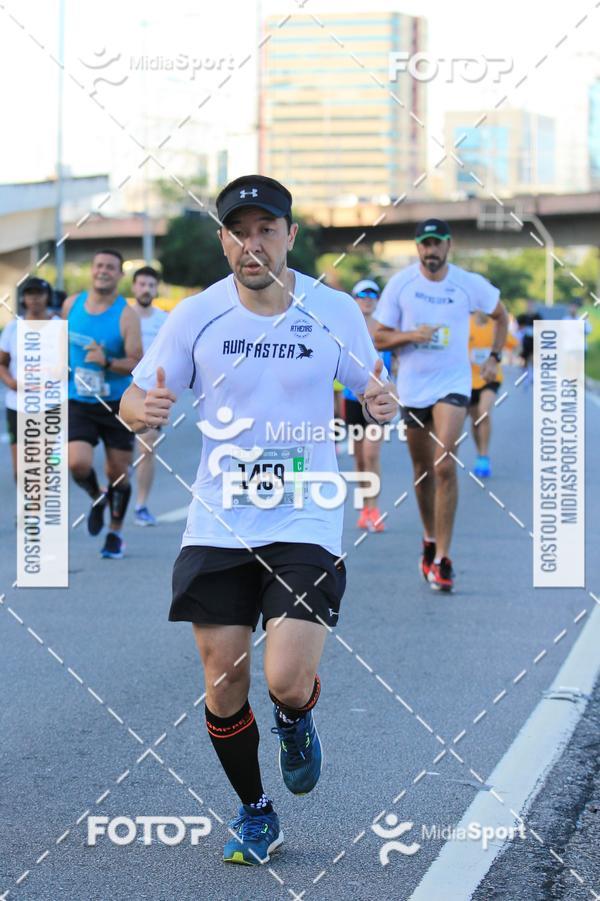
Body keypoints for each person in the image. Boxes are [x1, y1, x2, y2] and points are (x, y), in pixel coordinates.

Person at [120, 175, 397, 866]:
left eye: (266, 229)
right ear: (223, 240)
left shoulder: (333, 309)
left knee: (284, 679)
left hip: (306, 518)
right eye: (239, 231)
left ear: (290, 236)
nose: (253, 243)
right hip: (219, 522)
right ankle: (254, 811)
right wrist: (137, 411)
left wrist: (383, 403)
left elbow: (371, 387)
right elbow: (136, 394)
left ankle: (297, 719)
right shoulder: (195, 315)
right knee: (222, 682)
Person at [374, 218, 508, 592]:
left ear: (449, 246)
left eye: (437, 244)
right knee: (422, 471)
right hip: (414, 387)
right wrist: (411, 335)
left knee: (444, 463)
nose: (431, 251)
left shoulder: (467, 284)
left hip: (453, 383)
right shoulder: (402, 284)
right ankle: (429, 539)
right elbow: (379, 336)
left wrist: (495, 356)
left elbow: (501, 315)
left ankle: (444, 558)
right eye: (425, 244)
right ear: (418, 248)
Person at [63, 249, 142, 559]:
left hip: (117, 403)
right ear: (91, 270)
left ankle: (115, 534)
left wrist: (107, 360)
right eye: (99, 266)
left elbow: (137, 361)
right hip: (80, 399)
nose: (103, 271)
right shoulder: (72, 304)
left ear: (119, 275)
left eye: (110, 267)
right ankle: (97, 496)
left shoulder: (126, 315)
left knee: (118, 473)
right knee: (77, 463)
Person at [342, 279, 392, 531]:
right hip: (352, 399)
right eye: (362, 294)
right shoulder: (348, 328)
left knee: (372, 453)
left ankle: (375, 509)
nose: (367, 298)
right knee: (360, 458)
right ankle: (365, 509)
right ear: (354, 298)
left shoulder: (385, 329)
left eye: (372, 294)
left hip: (379, 400)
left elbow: (400, 363)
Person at [0, 277, 56, 481]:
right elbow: (2, 363)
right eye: (30, 294)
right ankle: (28, 510)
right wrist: (11, 382)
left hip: (50, 404)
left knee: (44, 463)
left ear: (47, 296)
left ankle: (38, 509)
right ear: (23, 298)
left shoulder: (59, 326)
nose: (35, 299)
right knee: (22, 467)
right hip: (18, 404)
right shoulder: (13, 328)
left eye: (39, 294)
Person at [130, 265, 168, 526]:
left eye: (151, 285)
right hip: (119, 390)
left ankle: (141, 504)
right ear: (134, 287)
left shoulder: (164, 320)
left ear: (156, 289)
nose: (146, 289)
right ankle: (113, 495)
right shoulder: (123, 316)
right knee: (118, 454)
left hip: (150, 393)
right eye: (142, 284)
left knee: (147, 446)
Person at [468, 311, 518, 478]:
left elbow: (512, 343)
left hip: (490, 376)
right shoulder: (466, 323)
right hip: (468, 379)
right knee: (475, 421)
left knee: (484, 412)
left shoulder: (497, 325)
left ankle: (484, 455)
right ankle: (479, 454)